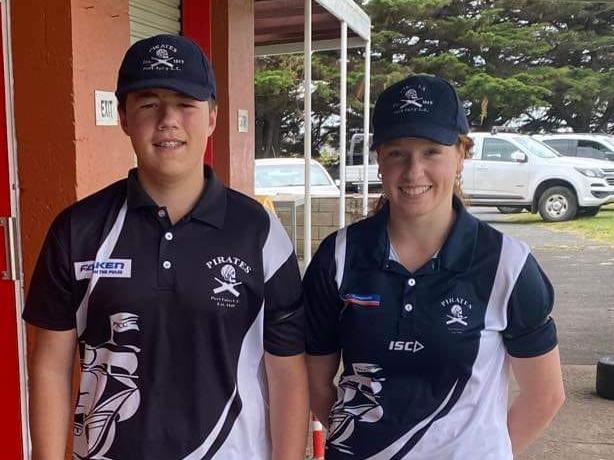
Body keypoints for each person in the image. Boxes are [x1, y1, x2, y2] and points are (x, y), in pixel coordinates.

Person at [23, 34, 309, 460]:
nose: (168, 120)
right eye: (149, 104)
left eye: (185, 103)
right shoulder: (77, 230)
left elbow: (286, 372)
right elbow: (50, 366)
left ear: (212, 116)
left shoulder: (260, 232)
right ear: (123, 117)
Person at [303, 74, 565, 459]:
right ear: (379, 160)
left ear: (461, 154)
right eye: (397, 153)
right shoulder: (339, 256)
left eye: (431, 151)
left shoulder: (507, 265)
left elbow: (545, 395)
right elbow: (316, 380)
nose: (413, 172)